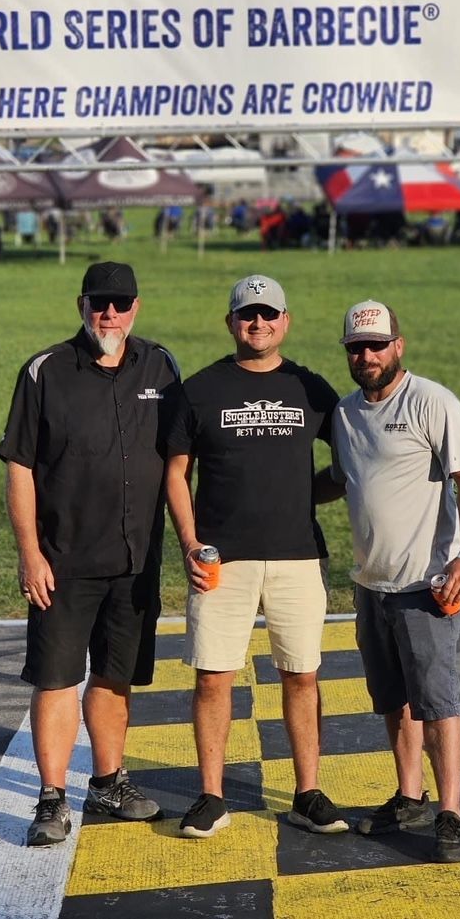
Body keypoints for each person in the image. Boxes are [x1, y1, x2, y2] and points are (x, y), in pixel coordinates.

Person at [0, 262, 179, 847]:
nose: (109, 314)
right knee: (55, 680)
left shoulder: (162, 366)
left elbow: (180, 459)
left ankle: (108, 781)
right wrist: (31, 553)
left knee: (114, 678)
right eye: (99, 303)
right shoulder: (44, 371)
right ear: (81, 304)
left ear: (136, 306)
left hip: (135, 560)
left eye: (120, 303)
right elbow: (20, 467)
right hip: (64, 558)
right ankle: (51, 799)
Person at [165, 275, 348, 839]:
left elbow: (348, 466)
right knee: (214, 677)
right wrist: (191, 543)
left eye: (269, 314)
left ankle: (307, 792)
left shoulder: (312, 389)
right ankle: (211, 796)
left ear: (286, 321)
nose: (259, 323)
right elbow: (176, 473)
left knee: (302, 675)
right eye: (248, 315)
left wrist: (304, 495)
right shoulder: (200, 390)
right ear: (231, 322)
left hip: (297, 557)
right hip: (224, 560)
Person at [316, 300, 460, 863]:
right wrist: (264, 489)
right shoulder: (344, 415)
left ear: (399, 345)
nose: (367, 356)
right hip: (372, 582)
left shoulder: (432, 401)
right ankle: (410, 795)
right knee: (393, 700)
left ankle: (451, 812)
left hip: (427, 582)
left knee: (437, 700)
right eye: (356, 348)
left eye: (377, 345)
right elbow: (340, 481)